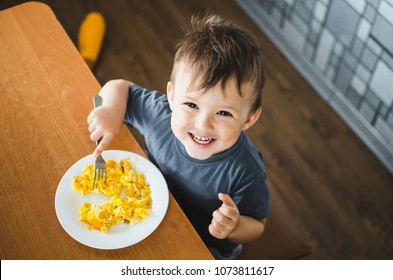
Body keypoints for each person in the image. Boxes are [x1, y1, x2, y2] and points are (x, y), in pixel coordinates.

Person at [87, 13, 270, 259]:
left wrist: (234, 227)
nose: (203, 124)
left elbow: (258, 225)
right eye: (192, 105)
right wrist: (110, 109)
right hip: (148, 211)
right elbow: (120, 86)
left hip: (205, 245)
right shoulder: (161, 114)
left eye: (224, 113)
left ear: (248, 119)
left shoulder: (246, 170)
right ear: (172, 96)